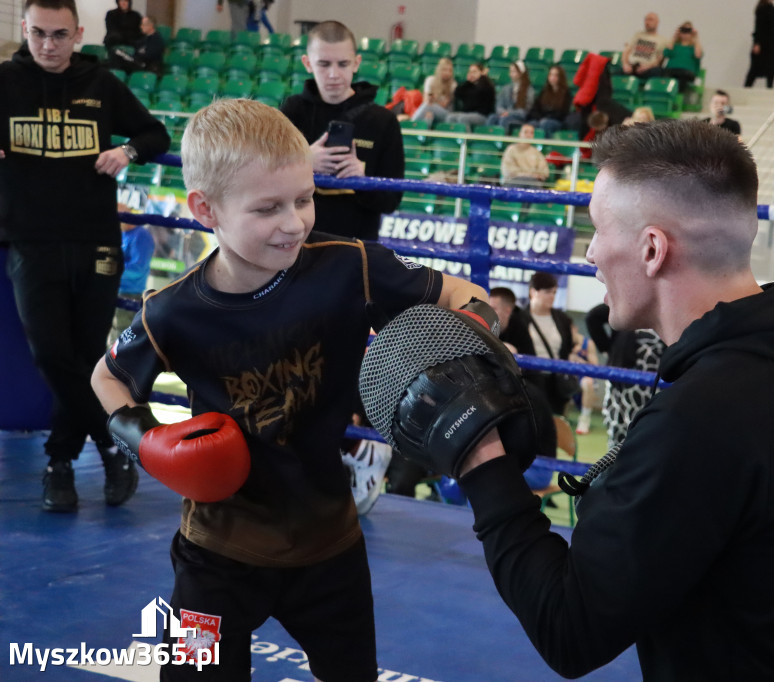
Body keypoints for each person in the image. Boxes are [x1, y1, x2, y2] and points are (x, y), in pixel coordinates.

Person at [368, 119, 774, 678]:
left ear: (652, 248)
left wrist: (479, 459)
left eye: (599, 229)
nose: (590, 254)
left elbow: (569, 628)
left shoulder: (710, 417)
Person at [90, 98, 489, 678]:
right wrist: (147, 440)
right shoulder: (171, 311)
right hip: (216, 556)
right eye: (268, 207)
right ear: (206, 209)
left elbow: (461, 292)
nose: (295, 222)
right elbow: (108, 379)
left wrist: (478, 333)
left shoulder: (349, 266)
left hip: (329, 543)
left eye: (303, 199)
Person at [1, 0, 169, 513]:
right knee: (51, 354)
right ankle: (117, 444)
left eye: (59, 35)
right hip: (30, 241)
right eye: (39, 34)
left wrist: (127, 153)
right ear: (25, 30)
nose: (49, 45)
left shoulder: (100, 83)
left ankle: (59, 465)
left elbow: (155, 134)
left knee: (85, 356)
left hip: (95, 240)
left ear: (77, 34)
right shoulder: (4, 81)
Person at [281, 20, 404, 241]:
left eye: (343, 64)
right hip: (297, 245)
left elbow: (391, 201)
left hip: (358, 249)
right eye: (324, 64)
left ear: (356, 63)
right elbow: (263, 181)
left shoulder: (383, 121)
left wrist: (363, 181)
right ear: (307, 63)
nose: (333, 74)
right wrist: (303, 161)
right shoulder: (292, 111)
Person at [585, 302, 665, 448]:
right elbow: (593, 317)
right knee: (620, 436)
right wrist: (607, 349)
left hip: (656, 384)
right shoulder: (630, 303)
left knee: (651, 437)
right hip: (623, 384)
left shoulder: (666, 306)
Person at [521, 271, 575, 416]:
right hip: (528, 380)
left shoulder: (562, 318)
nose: (552, 296)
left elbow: (567, 347)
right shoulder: (519, 318)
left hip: (555, 381)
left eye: (554, 292)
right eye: (547, 292)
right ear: (533, 292)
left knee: (555, 425)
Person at [107, 205, 155, 347]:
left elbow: (138, 268)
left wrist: (112, 271)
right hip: (116, 290)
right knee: (114, 333)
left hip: (129, 292)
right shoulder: (123, 234)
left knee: (121, 334)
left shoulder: (141, 236)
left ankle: (116, 367)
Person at [743, 0, 774, 88]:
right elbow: (759, 27)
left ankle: (767, 88)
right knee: (756, 68)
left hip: (771, 43)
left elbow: (773, 27)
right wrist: (757, 43)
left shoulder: (769, 9)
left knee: (770, 69)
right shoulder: (763, 9)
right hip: (766, 43)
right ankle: (747, 87)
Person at [486, 60, 535, 133]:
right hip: (505, 114)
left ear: (521, 73)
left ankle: (502, 141)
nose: (510, 74)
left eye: (513, 71)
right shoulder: (506, 88)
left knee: (504, 120)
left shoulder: (529, 91)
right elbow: (499, 105)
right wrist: (503, 112)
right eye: (510, 71)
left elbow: (525, 111)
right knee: (492, 118)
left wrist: (509, 113)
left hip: (519, 118)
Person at [526, 65, 572, 137]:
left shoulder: (566, 94)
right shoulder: (544, 92)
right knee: (531, 124)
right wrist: (540, 118)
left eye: (555, 75)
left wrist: (547, 118)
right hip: (541, 119)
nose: (552, 78)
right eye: (551, 75)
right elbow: (535, 108)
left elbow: (563, 113)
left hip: (557, 121)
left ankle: (545, 145)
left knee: (546, 124)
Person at [621, 11, 670, 79]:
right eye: (646, 20)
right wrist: (625, 64)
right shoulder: (638, 35)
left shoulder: (663, 40)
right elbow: (626, 51)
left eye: (650, 20)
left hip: (648, 68)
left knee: (658, 71)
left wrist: (648, 66)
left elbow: (660, 59)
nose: (647, 22)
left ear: (657, 22)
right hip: (632, 66)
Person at [446, 62, 496, 128]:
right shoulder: (469, 85)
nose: (472, 74)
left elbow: (476, 96)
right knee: (450, 117)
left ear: (481, 73)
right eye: (470, 72)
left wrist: (483, 78)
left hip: (482, 115)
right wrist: (467, 82)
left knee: (463, 119)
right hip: (468, 114)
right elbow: (457, 93)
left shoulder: (486, 85)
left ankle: (466, 137)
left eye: (474, 72)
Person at [500, 123, 549, 188]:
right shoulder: (511, 149)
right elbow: (507, 170)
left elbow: (545, 172)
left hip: (532, 182)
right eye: (526, 132)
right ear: (520, 134)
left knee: (534, 184)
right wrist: (529, 175)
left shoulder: (537, 152)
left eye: (531, 133)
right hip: (514, 182)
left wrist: (527, 175)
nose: (528, 135)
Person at [411, 57, 457, 123]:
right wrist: (432, 102)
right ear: (439, 70)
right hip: (430, 109)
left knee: (429, 107)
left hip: (446, 114)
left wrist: (433, 101)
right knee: (429, 116)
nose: (447, 73)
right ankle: (422, 132)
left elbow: (443, 105)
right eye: (444, 70)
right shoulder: (430, 80)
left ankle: (411, 123)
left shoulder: (453, 84)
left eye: (450, 70)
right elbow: (426, 100)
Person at [662, 21, 703, 88]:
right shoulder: (675, 46)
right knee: (664, 76)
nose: (685, 33)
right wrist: (674, 37)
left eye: (688, 31)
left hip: (686, 73)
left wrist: (696, 38)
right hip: (671, 71)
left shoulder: (694, 47)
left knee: (682, 78)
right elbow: (666, 53)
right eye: (683, 30)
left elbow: (698, 55)